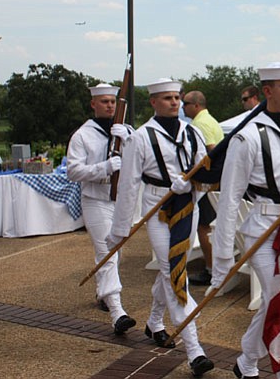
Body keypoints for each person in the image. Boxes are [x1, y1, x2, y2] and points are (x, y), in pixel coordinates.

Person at [211, 62, 280, 379]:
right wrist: (222, 255)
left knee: (275, 303)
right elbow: (230, 198)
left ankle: (247, 362)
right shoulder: (246, 138)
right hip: (262, 228)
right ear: (267, 91)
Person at [107, 78, 214, 377]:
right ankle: (195, 350)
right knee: (174, 273)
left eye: (177, 97)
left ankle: (155, 321)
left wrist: (192, 185)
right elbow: (128, 185)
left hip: (186, 207)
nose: (174, 102)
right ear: (153, 102)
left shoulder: (192, 132)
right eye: (167, 98)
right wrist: (120, 229)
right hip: (156, 208)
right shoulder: (140, 137)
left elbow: (204, 172)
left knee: (170, 269)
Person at [67, 83, 136, 336]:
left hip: (121, 200)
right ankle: (118, 312)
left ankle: (102, 292)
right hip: (96, 198)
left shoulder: (126, 130)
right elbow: (73, 171)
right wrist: (104, 167)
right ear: (93, 104)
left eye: (112, 102)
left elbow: (141, 161)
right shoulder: (82, 135)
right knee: (107, 252)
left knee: (115, 250)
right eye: (104, 101)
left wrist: (129, 141)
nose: (109, 105)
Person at [182, 90, 225, 286]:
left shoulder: (200, 124)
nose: (183, 107)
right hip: (216, 182)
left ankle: (211, 269)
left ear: (196, 105)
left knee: (204, 228)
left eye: (185, 104)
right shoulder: (211, 120)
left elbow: (212, 152)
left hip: (209, 184)